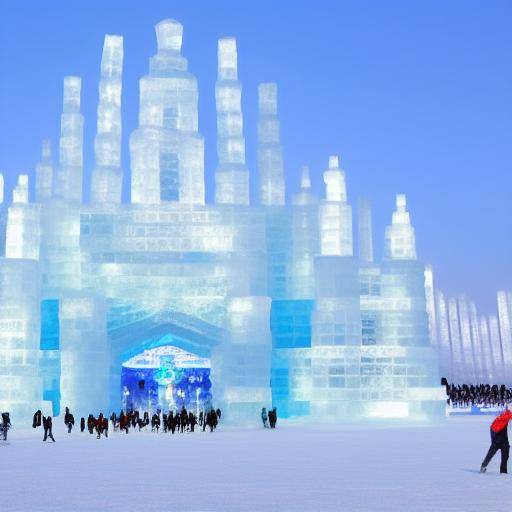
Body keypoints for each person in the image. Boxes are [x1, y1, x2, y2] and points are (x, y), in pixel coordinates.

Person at [481, 408, 512, 473]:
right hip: (498, 438)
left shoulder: (503, 417)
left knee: (502, 454)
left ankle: (502, 471)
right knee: (500, 453)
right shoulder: (505, 416)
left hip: (501, 439)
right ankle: (502, 471)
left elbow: (492, 429)